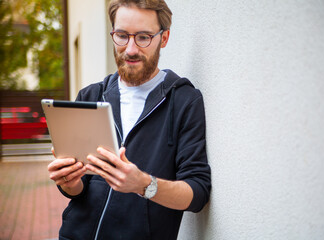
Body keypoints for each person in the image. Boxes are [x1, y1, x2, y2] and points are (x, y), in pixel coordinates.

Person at [47, 0, 211, 239]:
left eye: (143, 37)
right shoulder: (90, 96)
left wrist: (144, 185)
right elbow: (79, 190)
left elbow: (198, 192)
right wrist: (69, 182)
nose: (131, 49)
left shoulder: (185, 101)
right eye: (122, 36)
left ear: (163, 38)